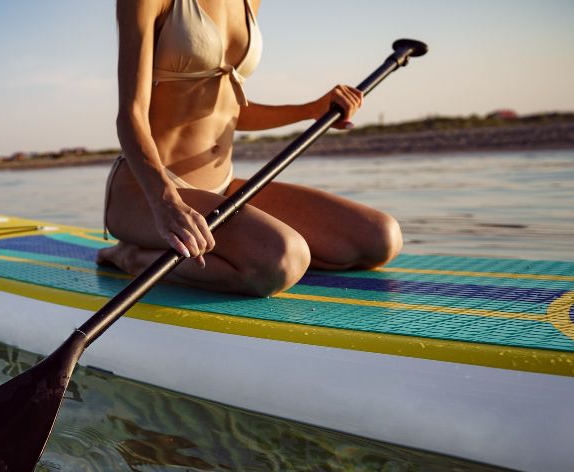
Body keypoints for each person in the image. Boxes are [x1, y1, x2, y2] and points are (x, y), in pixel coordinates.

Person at [98, 0, 402, 296]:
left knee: (380, 237)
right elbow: (131, 115)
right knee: (282, 259)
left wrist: (309, 109)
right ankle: (131, 256)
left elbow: (228, 108)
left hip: (223, 189)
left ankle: (241, 246)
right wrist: (165, 202)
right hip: (148, 192)